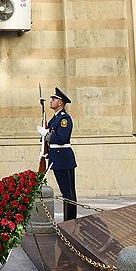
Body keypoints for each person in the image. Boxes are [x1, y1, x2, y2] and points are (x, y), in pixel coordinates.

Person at [37, 88, 77, 221]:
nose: (51, 101)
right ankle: (70, 221)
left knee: (68, 193)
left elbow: (62, 139)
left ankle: (70, 222)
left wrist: (46, 134)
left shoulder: (64, 118)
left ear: (60, 102)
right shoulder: (55, 118)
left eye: (53, 99)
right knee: (66, 191)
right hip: (57, 157)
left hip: (63, 159)